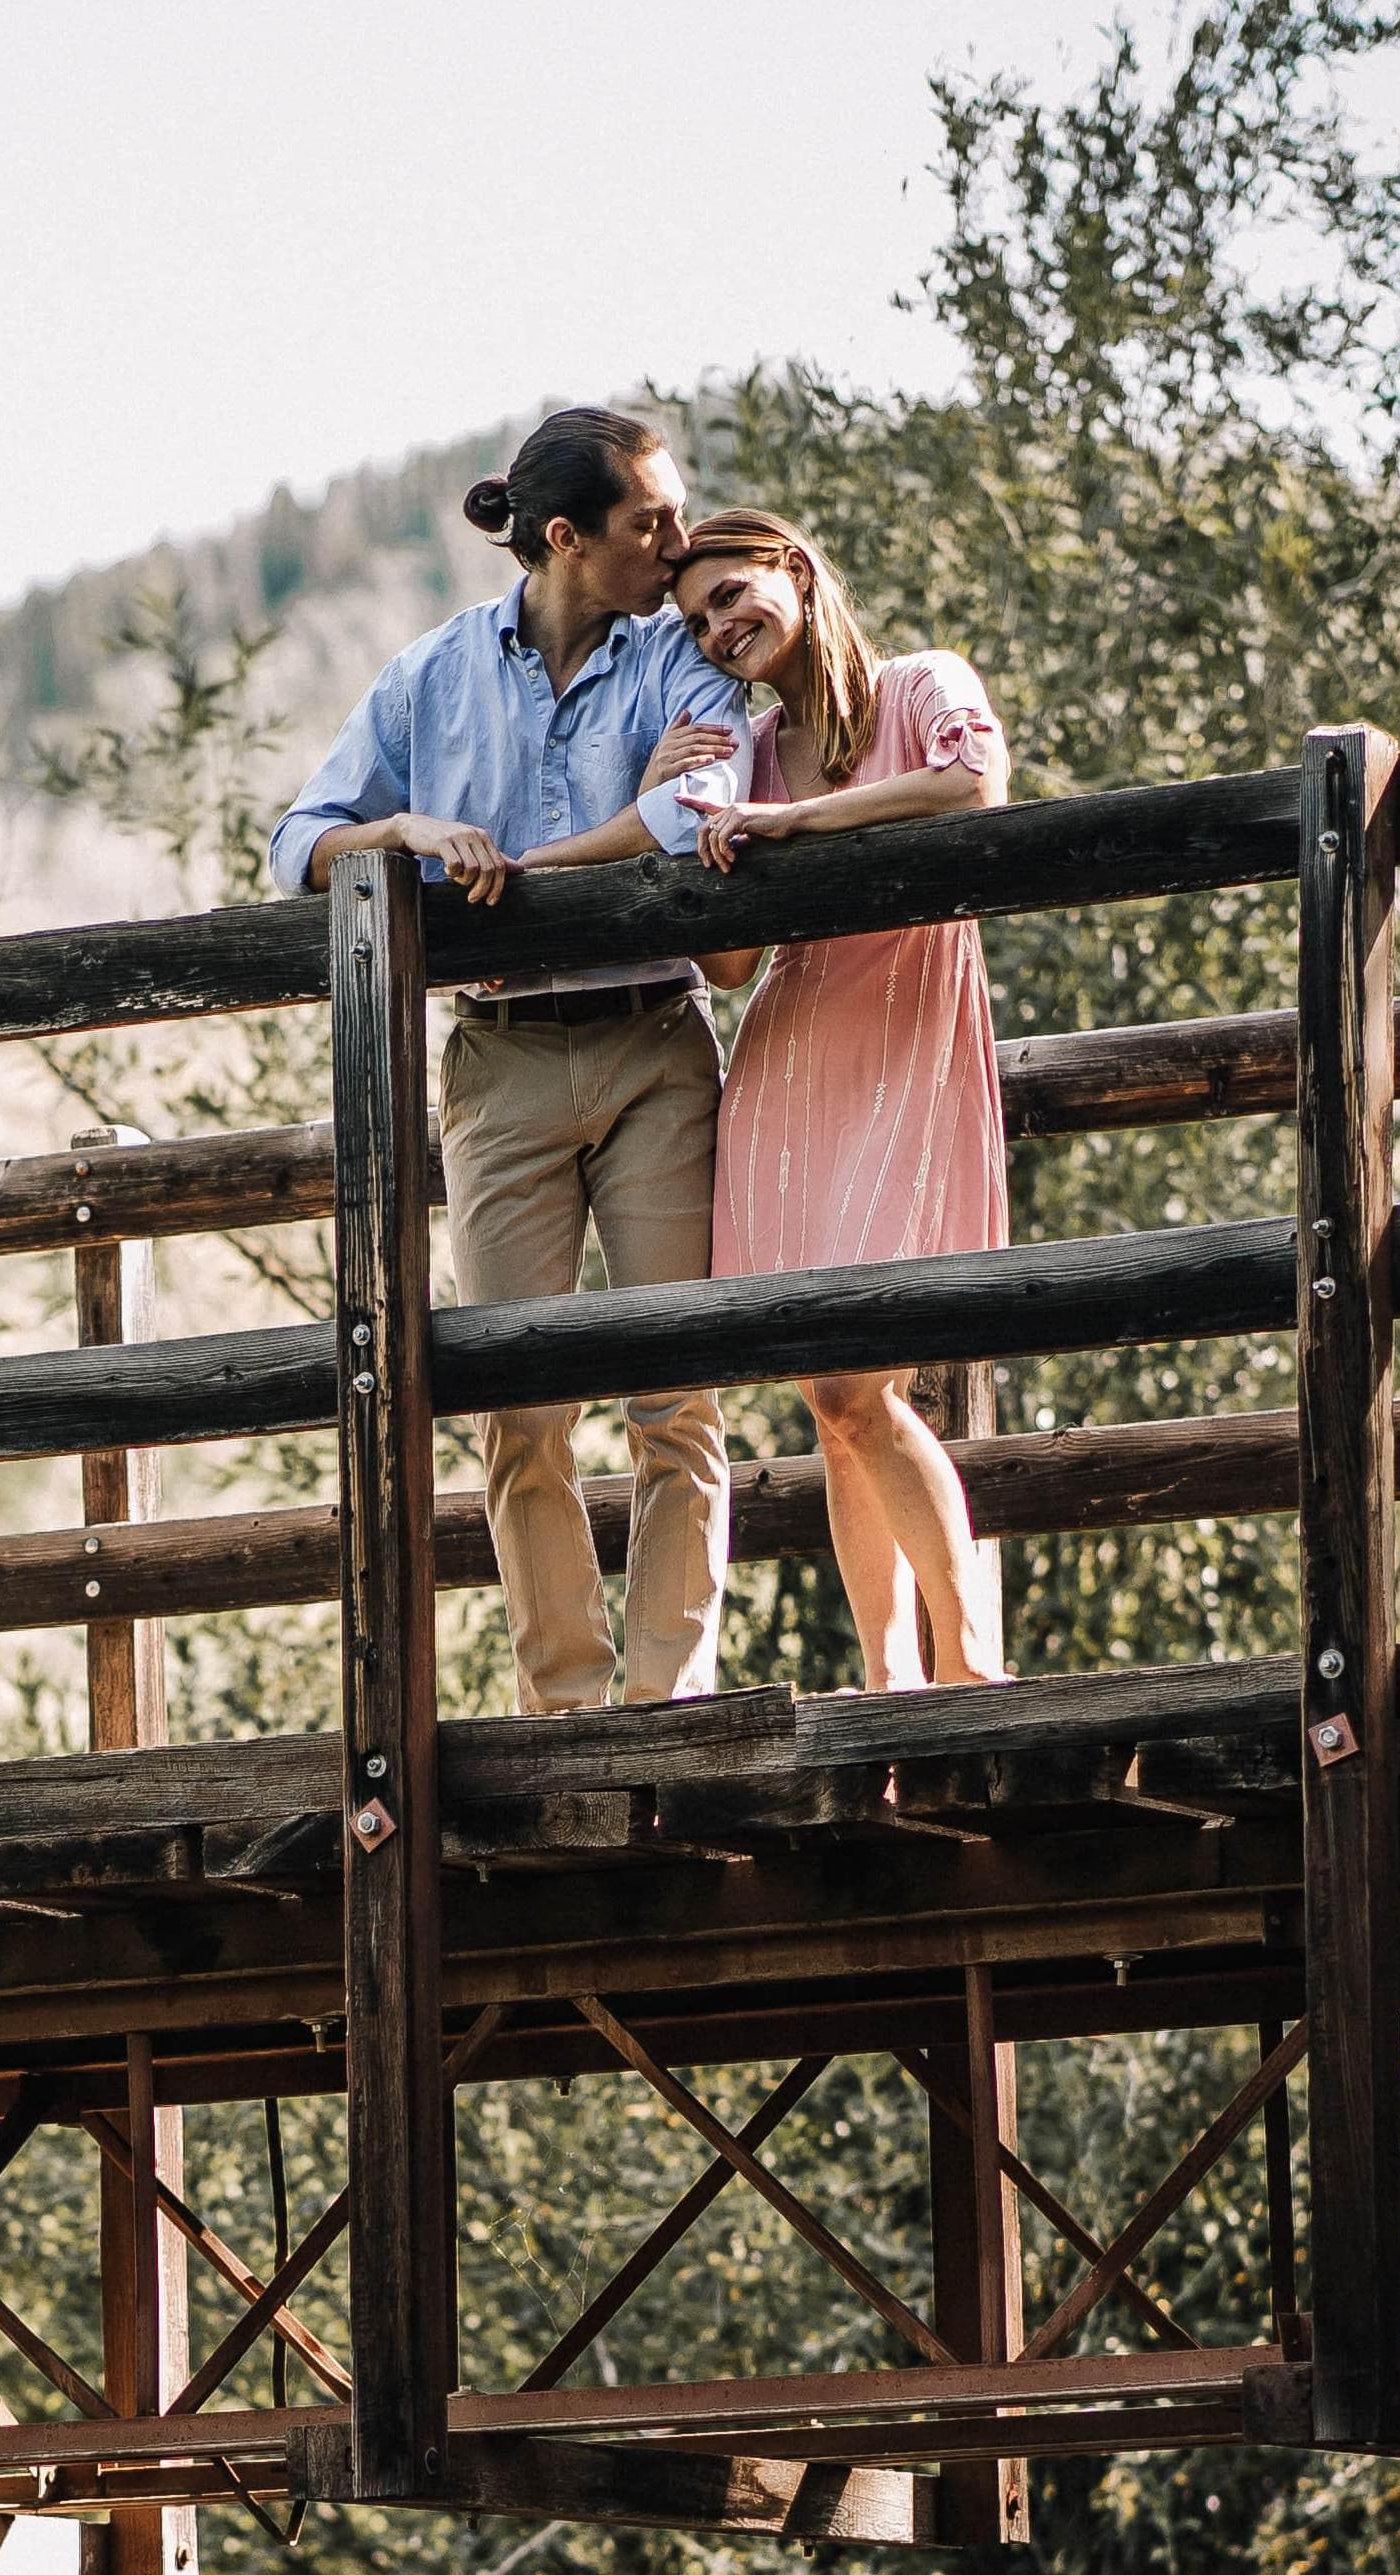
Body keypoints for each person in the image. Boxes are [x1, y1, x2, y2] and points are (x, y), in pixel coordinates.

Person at [269, 407, 748, 1715]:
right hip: (496, 1062)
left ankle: (667, 1703)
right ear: (565, 539)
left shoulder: (685, 663)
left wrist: (526, 862)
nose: (677, 541)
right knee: (518, 1412)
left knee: (677, 1391)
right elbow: (294, 841)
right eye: (650, 522)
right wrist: (409, 828)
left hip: (657, 1042)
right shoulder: (428, 678)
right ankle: (567, 1710)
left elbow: (692, 812)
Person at [521, 505, 1010, 1691]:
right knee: (829, 1395)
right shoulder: (739, 742)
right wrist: (671, 818)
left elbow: (972, 786)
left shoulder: (915, 685)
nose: (722, 626)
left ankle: (968, 1667)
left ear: (793, 568)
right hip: (793, 1054)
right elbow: (731, 966)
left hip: (909, 1032)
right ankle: (891, 1680)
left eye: (735, 594)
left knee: (859, 1381)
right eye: (697, 619)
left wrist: (793, 825)